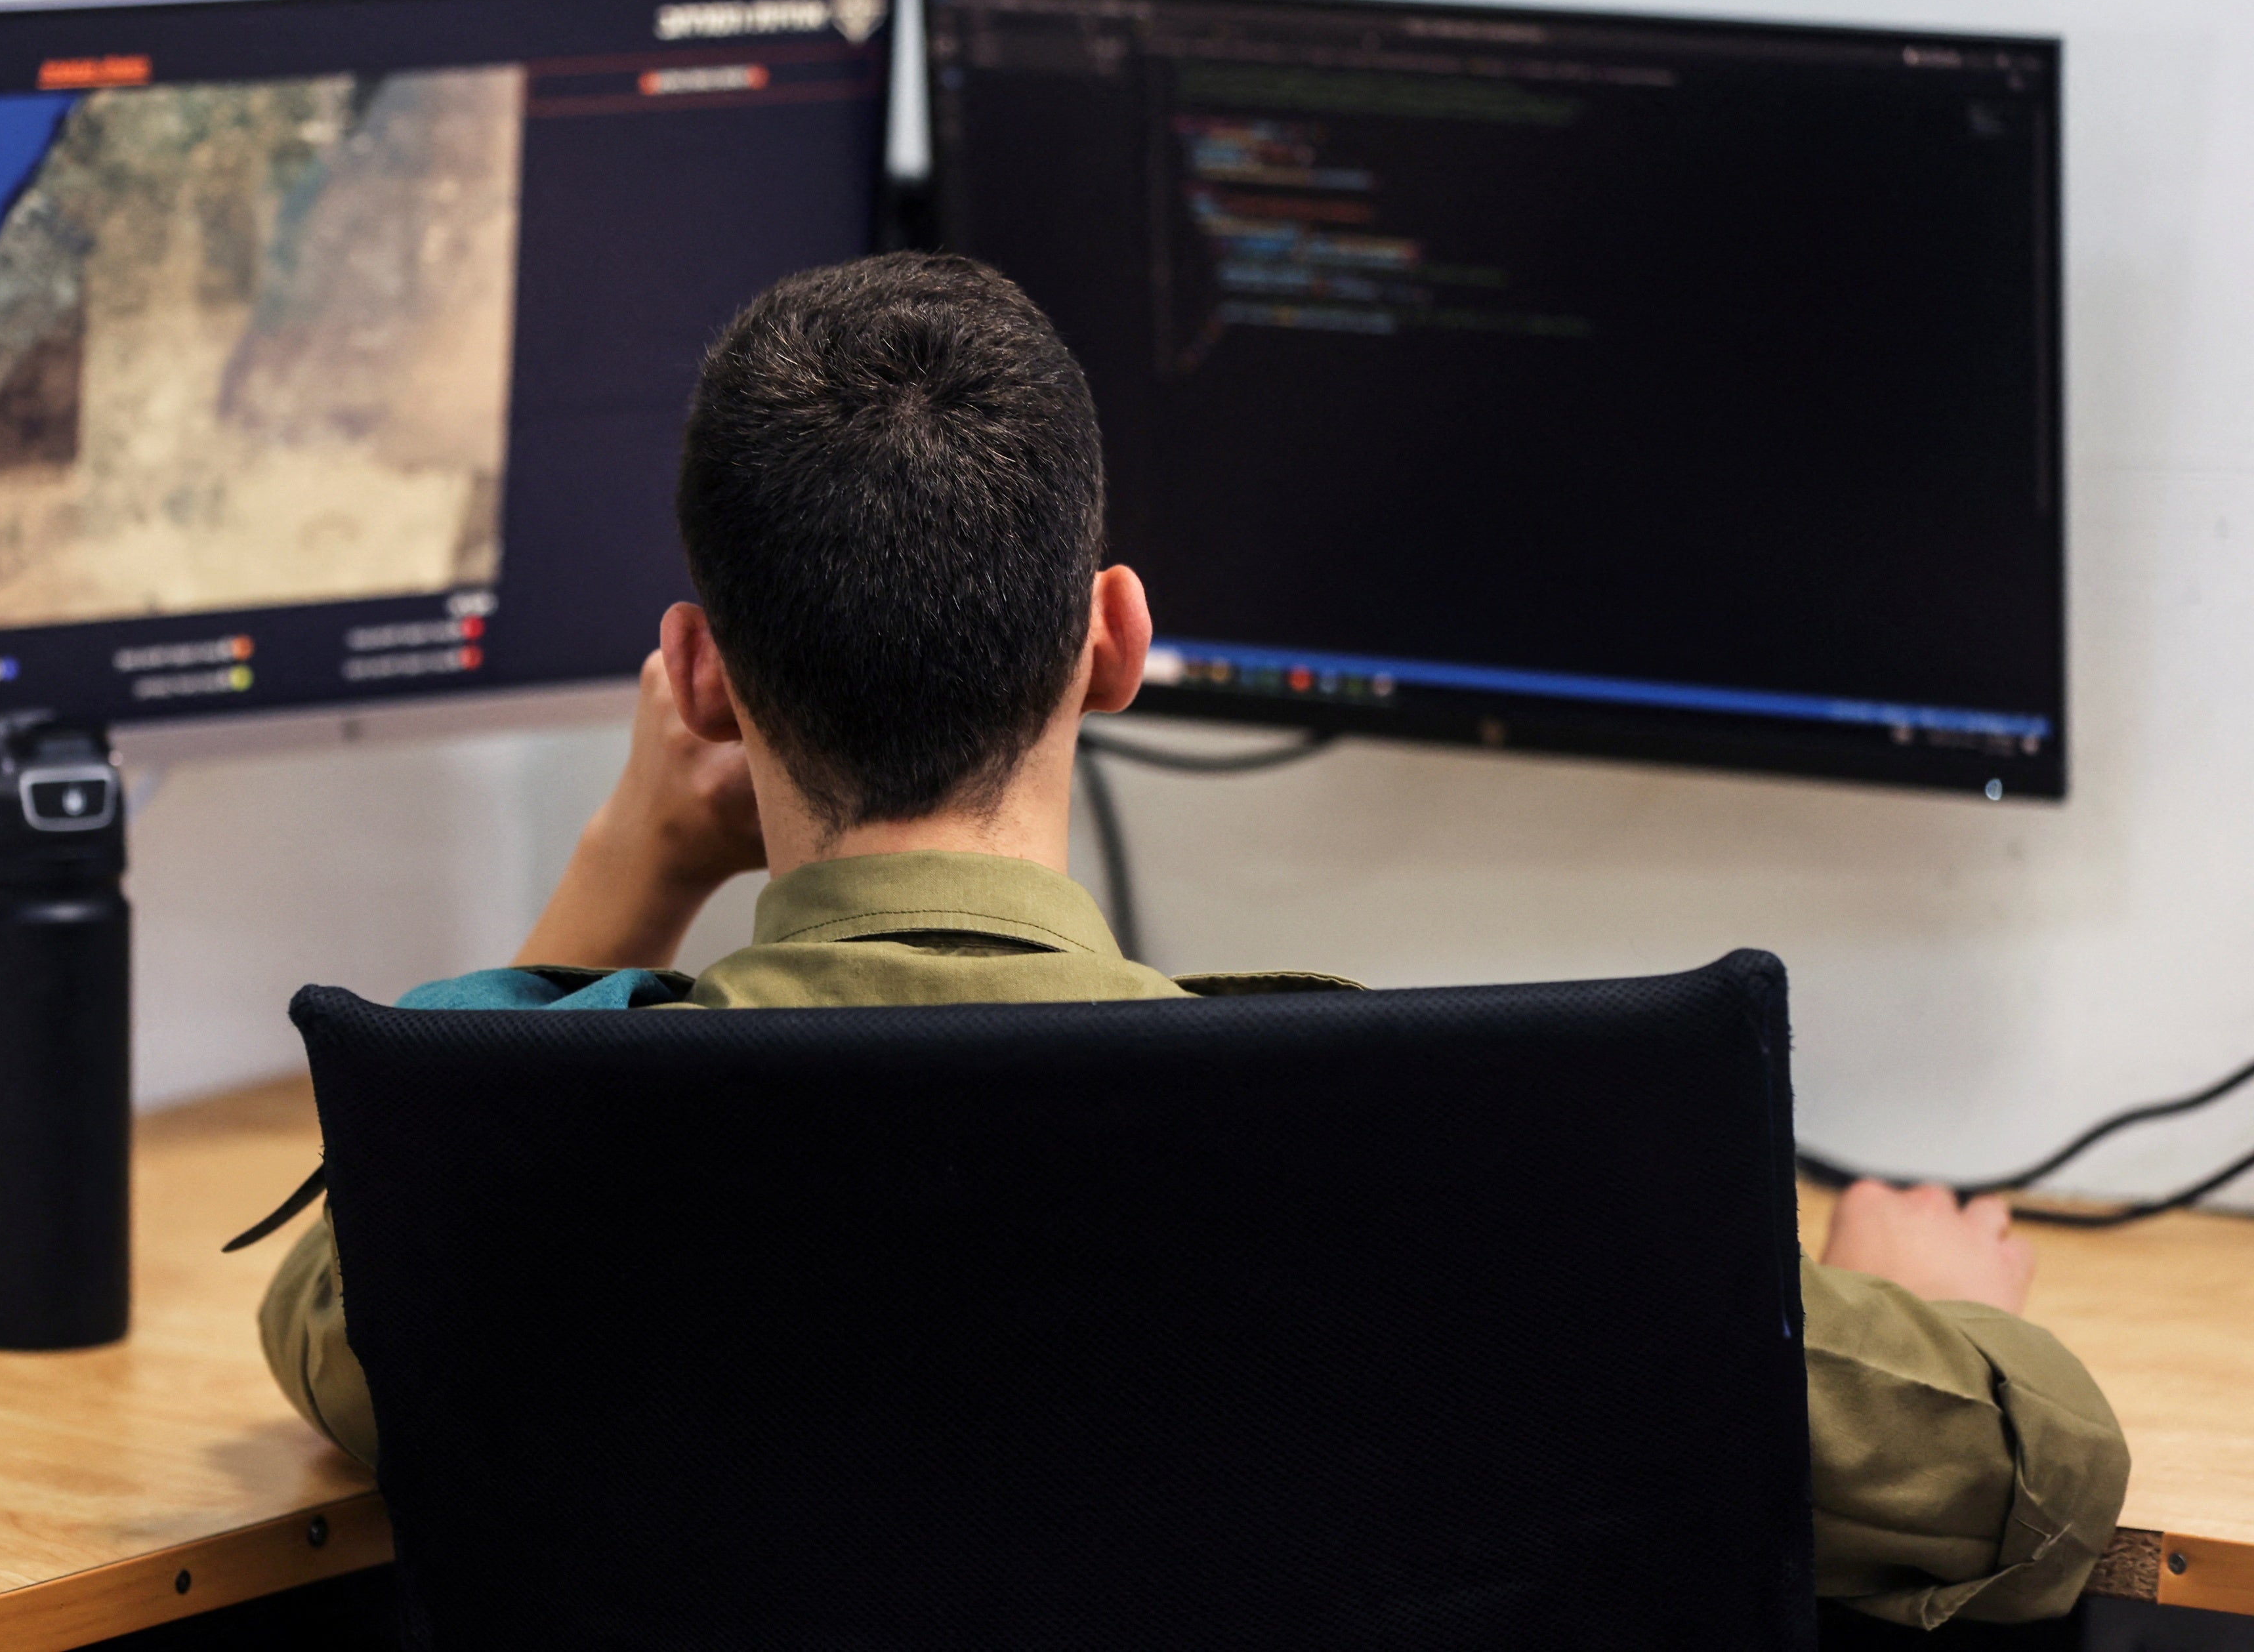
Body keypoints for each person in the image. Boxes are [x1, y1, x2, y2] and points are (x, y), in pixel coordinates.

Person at [255, 252, 2126, 1629]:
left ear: (698, 680)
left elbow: (342, 1284)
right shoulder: (1442, 1166)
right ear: (1116, 641)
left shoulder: (528, 1205)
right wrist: (1932, 1305)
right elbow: (2047, 1476)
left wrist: (630, 870)